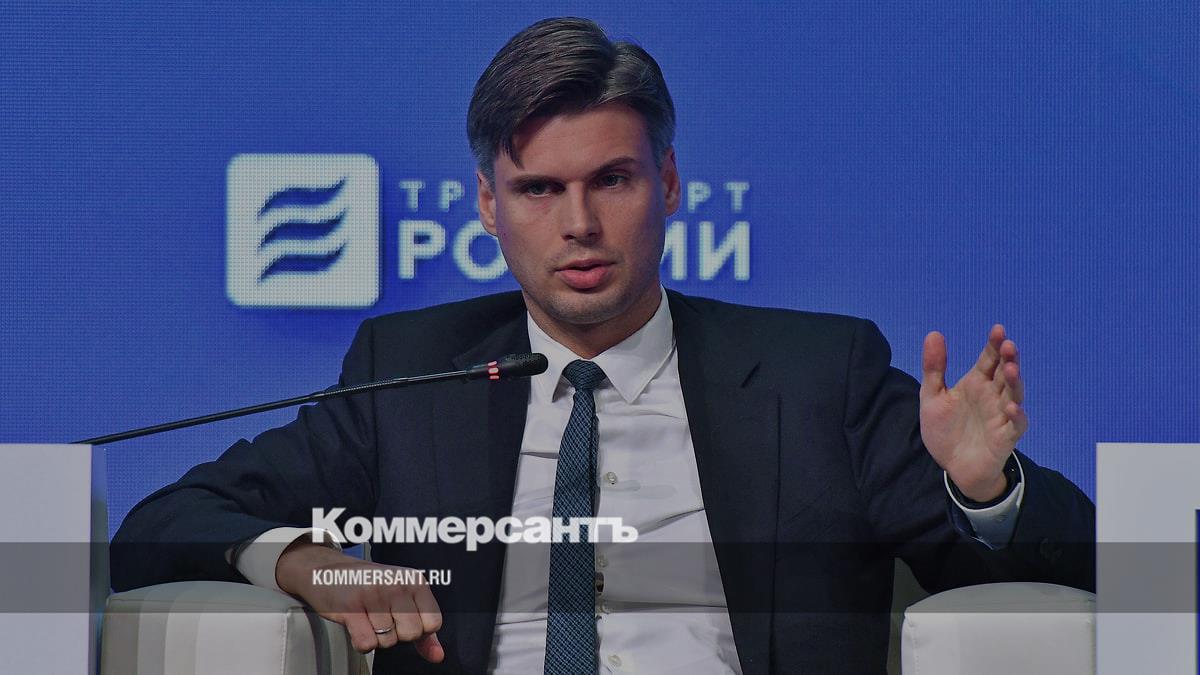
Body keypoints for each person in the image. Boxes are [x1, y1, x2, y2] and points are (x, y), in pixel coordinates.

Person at [111, 17, 1094, 674]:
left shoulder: (815, 375)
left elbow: (1068, 566)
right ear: (488, 205)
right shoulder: (410, 373)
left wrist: (984, 489)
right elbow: (162, 524)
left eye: (611, 181)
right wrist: (308, 563)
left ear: (667, 184)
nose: (578, 224)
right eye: (539, 190)